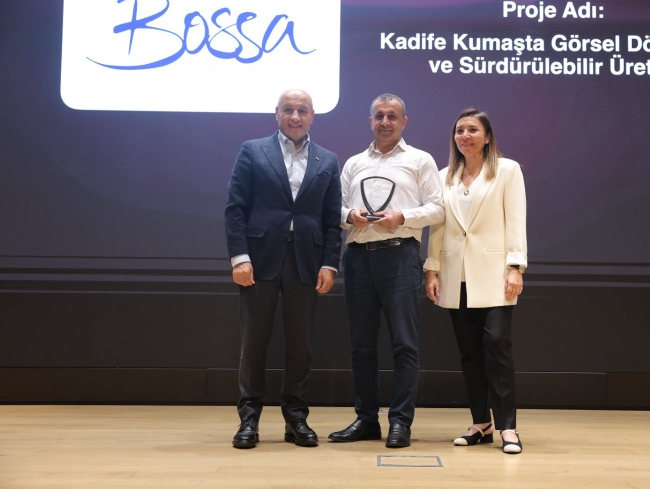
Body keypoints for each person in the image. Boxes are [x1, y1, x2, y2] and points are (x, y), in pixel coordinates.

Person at [224, 89, 342, 449]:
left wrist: (329, 263)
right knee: (254, 343)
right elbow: (235, 208)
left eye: (302, 110)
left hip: (306, 261)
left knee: (300, 346)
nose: (295, 116)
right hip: (259, 260)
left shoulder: (327, 159)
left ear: (312, 116)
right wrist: (239, 256)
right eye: (288, 109)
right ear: (276, 113)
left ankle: (296, 419)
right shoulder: (252, 150)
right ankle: (249, 419)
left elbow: (331, 220)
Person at [328, 93, 444, 448]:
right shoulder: (354, 163)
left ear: (404, 121)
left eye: (392, 116)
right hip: (358, 259)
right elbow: (335, 209)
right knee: (361, 346)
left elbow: (438, 209)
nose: (385, 122)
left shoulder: (420, 160)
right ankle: (366, 420)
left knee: (404, 344)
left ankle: (400, 422)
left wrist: (402, 217)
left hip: (400, 256)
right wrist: (350, 216)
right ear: (370, 121)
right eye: (379, 116)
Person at [424, 107, 527, 454]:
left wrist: (516, 266)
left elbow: (516, 220)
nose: (465, 136)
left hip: (495, 275)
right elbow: (438, 226)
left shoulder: (507, 170)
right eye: (459, 130)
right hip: (457, 277)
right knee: (469, 353)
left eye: (472, 130)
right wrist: (432, 269)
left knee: (497, 347)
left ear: (487, 137)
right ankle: (481, 423)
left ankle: (508, 427)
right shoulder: (444, 176)